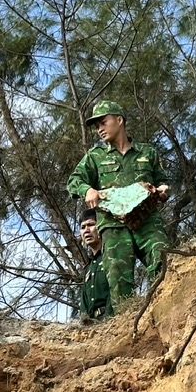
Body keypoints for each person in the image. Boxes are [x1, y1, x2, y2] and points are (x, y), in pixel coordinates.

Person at [67, 100, 170, 308]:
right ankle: (128, 328)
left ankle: (161, 308)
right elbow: (73, 181)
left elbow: (163, 180)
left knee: (163, 257)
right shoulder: (95, 157)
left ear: (119, 120)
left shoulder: (146, 152)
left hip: (146, 221)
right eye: (97, 126)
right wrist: (87, 190)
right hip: (113, 227)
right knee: (119, 283)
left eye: (103, 122)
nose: (100, 129)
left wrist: (163, 190)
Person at [77, 208, 112, 322]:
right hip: (92, 325)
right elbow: (84, 303)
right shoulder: (88, 268)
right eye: (83, 227)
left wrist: (108, 320)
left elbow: (116, 291)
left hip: (110, 321)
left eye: (91, 225)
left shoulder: (111, 257)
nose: (86, 230)